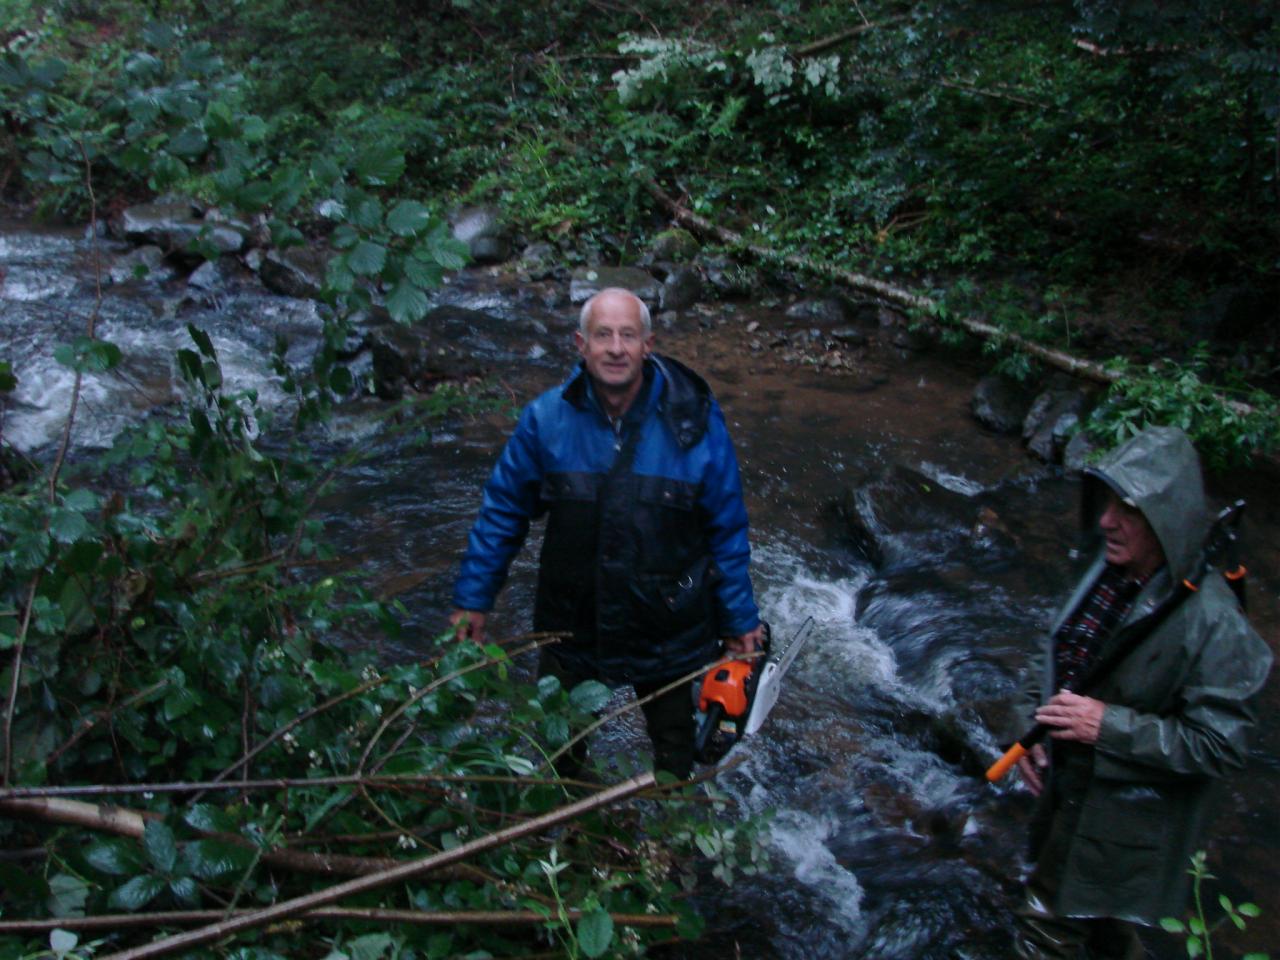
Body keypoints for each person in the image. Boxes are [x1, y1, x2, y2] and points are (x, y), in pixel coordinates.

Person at [450, 287, 766, 779]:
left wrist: (739, 619)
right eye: (603, 335)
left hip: (668, 626)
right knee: (561, 756)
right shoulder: (545, 421)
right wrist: (475, 599)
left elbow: (725, 527)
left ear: (648, 344)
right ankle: (575, 840)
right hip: (573, 624)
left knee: (676, 759)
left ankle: (671, 842)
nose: (616, 348)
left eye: (627, 335)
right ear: (581, 344)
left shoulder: (696, 424)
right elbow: (502, 513)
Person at [1010, 425, 1272, 959]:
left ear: (1166, 521)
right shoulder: (1106, 569)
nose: (1107, 520)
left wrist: (1105, 725)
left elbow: (1220, 745)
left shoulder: (1215, 623)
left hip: (1126, 822)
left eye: (1127, 509)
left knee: (1046, 930)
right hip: (1074, 795)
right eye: (1108, 503)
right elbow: (1054, 651)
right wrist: (1028, 727)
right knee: (1105, 931)